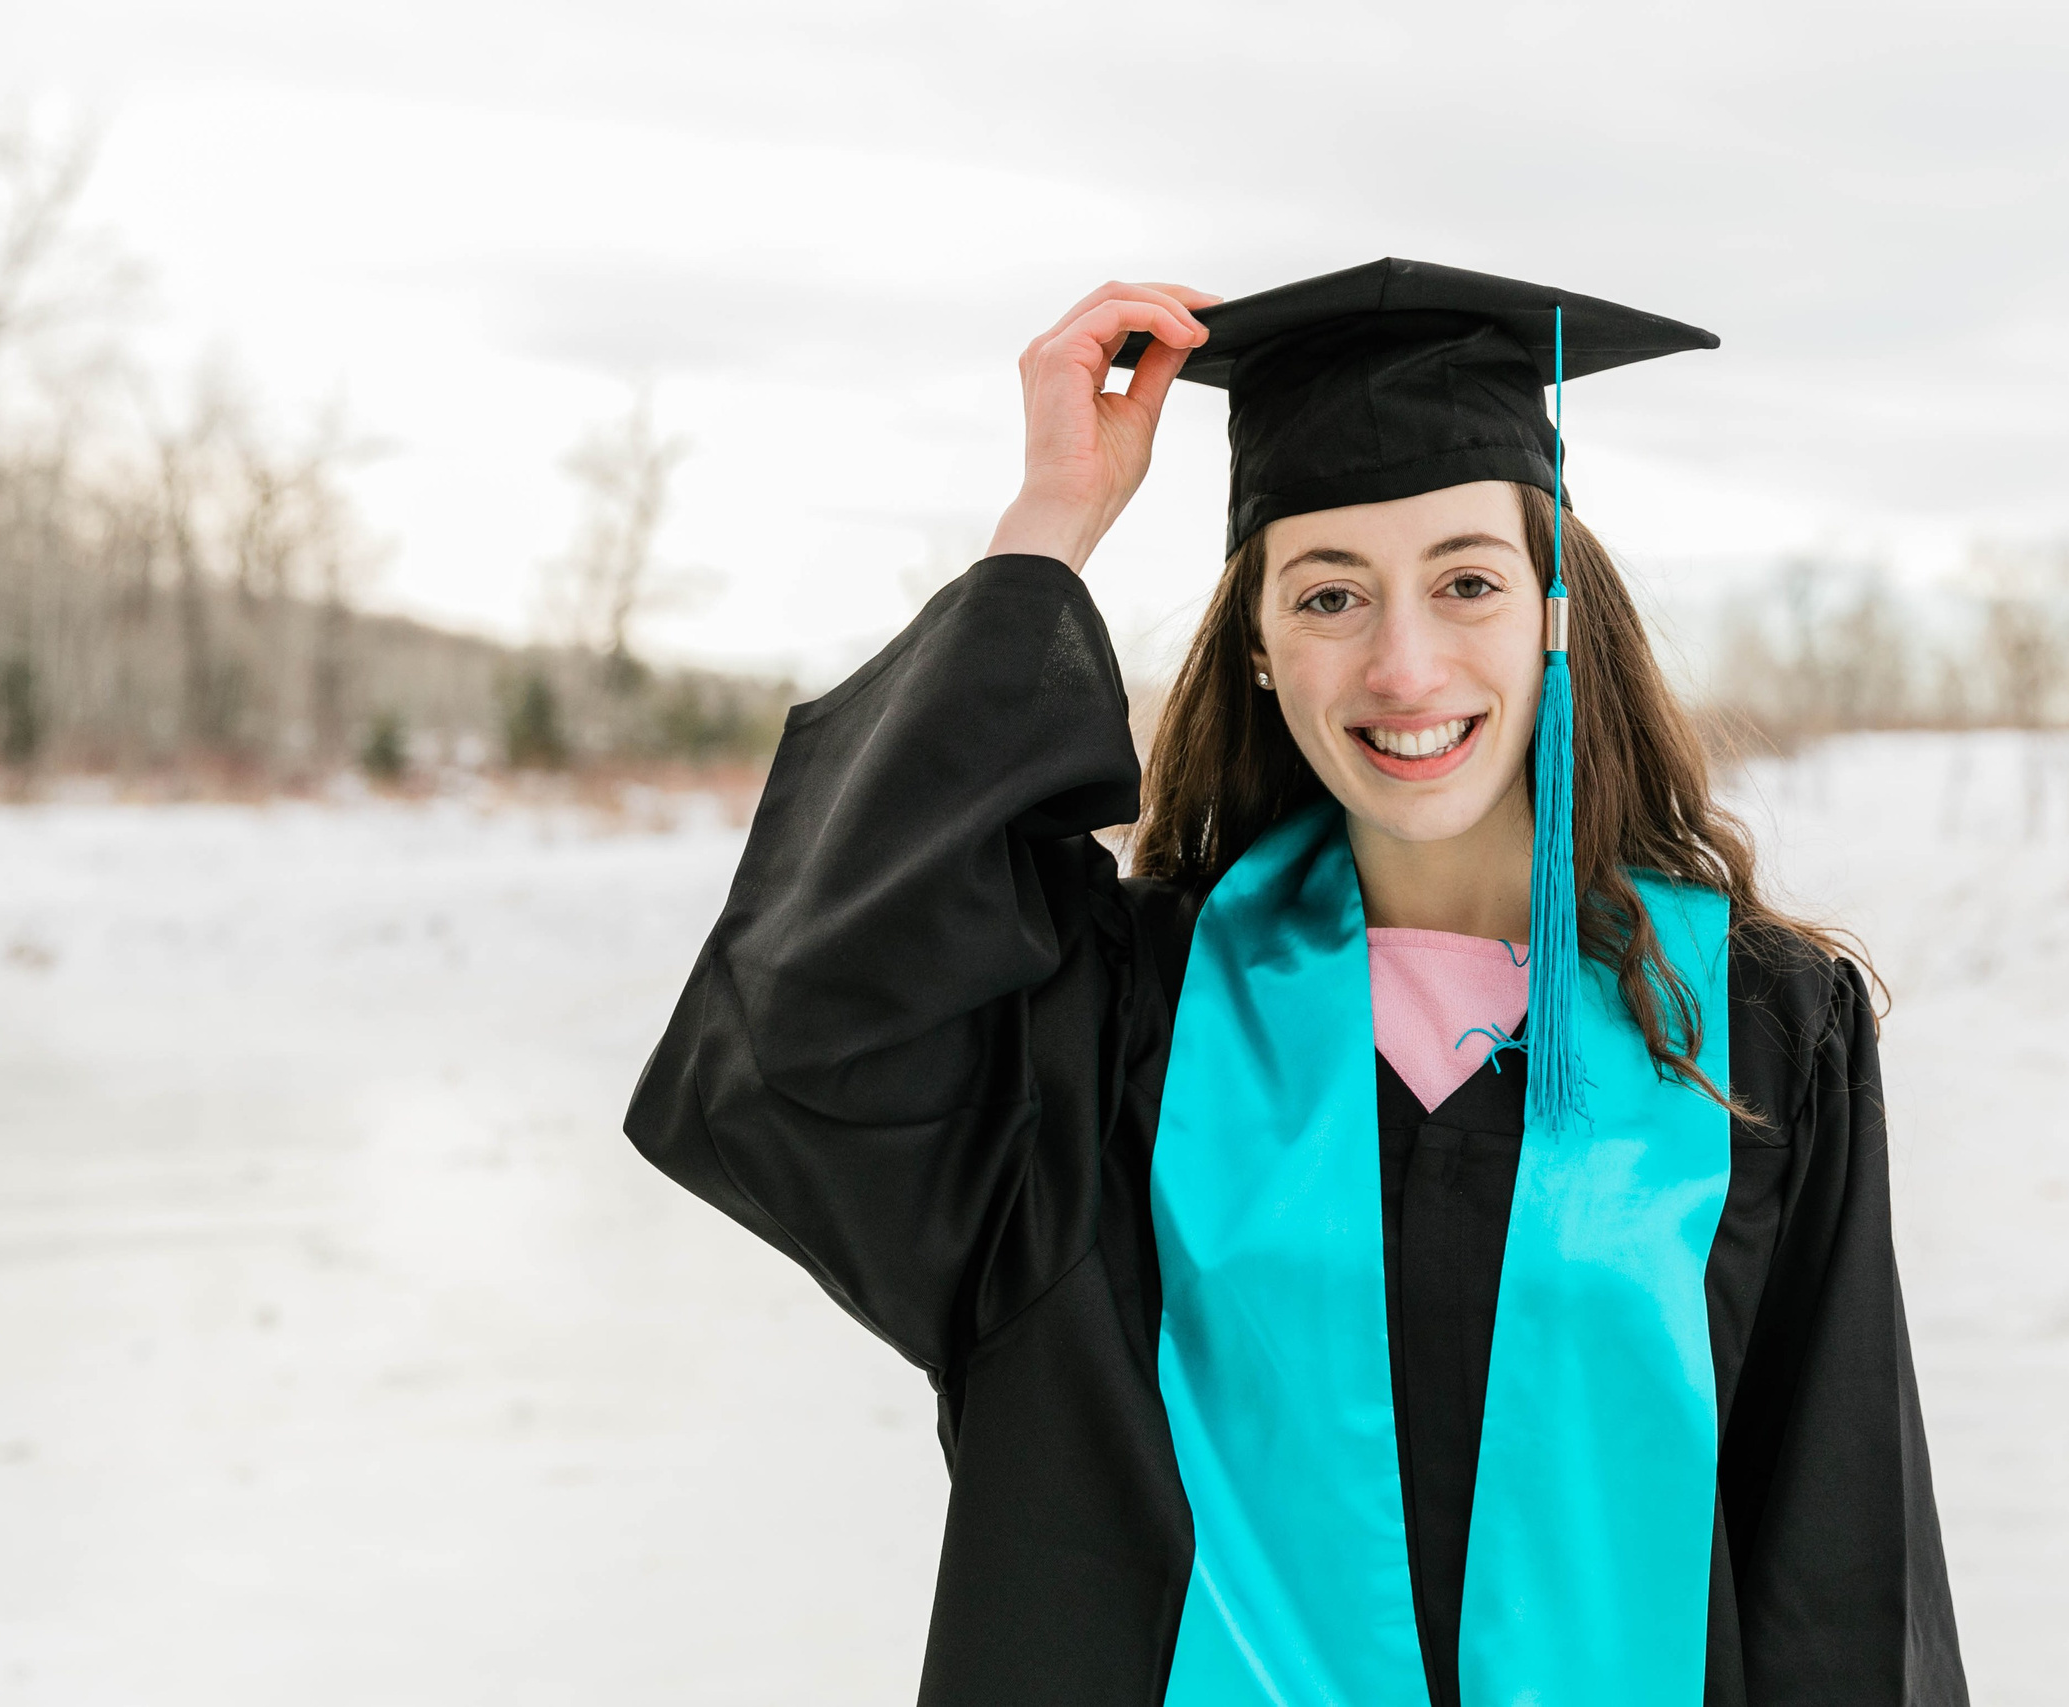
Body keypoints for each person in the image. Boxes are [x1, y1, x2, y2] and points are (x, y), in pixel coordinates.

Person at [625, 259, 1968, 1707]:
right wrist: (1046, 530)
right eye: (1329, 595)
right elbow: (795, 1041)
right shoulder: (1127, 1019)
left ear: (1554, 613)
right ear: (1258, 648)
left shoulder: (1749, 1029)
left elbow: (1839, 1561)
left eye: (1467, 582)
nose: (1404, 663)